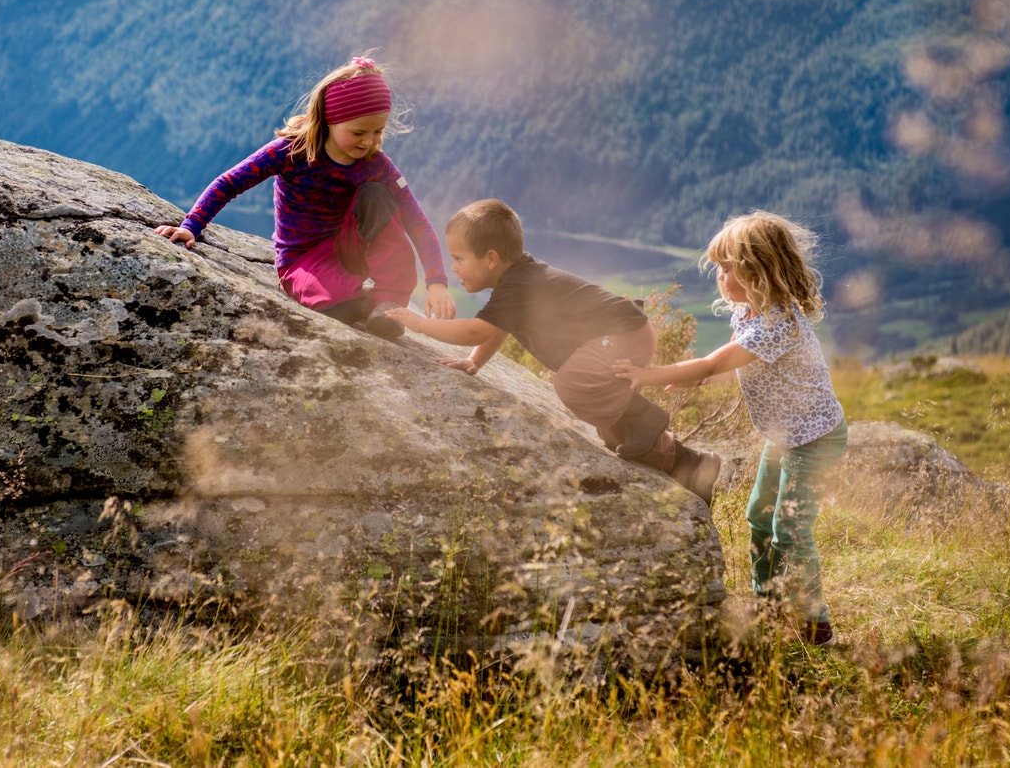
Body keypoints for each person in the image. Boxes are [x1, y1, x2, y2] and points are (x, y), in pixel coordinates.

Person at [383, 199, 720, 502]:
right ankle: (695, 468)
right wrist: (474, 360)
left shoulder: (519, 282)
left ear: (491, 259)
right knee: (613, 431)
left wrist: (421, 324)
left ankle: (647, 417)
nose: (452, 267)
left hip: (623, 333)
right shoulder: (514, 282)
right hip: (618, 336)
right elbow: (497, 328)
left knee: (572, 384)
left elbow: (477, 328)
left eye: (458, 258)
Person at [614, 211, 847, 645]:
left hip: (814, 439)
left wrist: (647, 375)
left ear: (758, 272)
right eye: (719, 268)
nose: (720, 277)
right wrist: (708, 374)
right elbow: (732, 364)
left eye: (729, 268)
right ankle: (769, 599)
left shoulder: (776, 325)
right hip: (785, 437)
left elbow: (713, 360)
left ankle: (816, 623)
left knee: (791, 529)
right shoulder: (748, 313)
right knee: (759, 516)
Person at [154, 53, 454, 338]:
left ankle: (388, 300)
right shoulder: (291, 151)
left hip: (349, 250)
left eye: (378, 131)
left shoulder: (377, 165)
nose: (370, 141)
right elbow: (230, 182)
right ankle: (361, 301)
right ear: (329, 119)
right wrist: (191, 226)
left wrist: (437, 282)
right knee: (337, 309)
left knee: (379, 196)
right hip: (302, 259)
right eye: (359, 132)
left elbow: (415, 219)